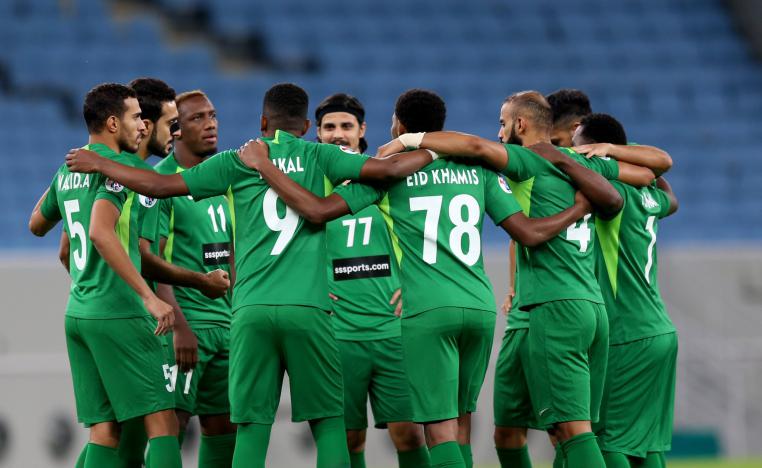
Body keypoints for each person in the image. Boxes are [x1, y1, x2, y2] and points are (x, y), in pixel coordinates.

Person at [64, 82, 439, 468]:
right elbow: (390, 169)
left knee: (249, 428)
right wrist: (435, 148)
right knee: (329, 424)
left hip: (249, 312)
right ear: (306, 127)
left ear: (262, 122)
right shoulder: (320, 156)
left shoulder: (235, 161)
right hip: (309, 310)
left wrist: (102, 164)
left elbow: (158, 186)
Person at [236, 88, 596, 468]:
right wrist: (578, 208)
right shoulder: (478, 169)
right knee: (461, 424)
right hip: (479, 307)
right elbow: (523, 230)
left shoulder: (390, 175)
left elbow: (320, 210)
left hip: (427, 309)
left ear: (399, 125)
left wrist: (267, 169)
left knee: (437, 432)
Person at [29, 83, 181, 467]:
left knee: (105, 430)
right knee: (163, 420)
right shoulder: (124, 170)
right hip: (120, 311)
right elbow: (99, 231)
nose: (143, 126)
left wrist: (89, 283)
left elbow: (40, 228)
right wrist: (148, 296)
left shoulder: (69, 169)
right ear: (113, 123)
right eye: (136, 118)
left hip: (80, 312)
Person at [314, 93, 429, 468]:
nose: (337, 133)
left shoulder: (388, 178)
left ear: (362, 130)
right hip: (338, 332)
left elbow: (423, 237)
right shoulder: (310, 185)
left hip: (392, 329)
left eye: (346, 126)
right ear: (317, 133)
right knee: (349, 437)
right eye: (329, 127)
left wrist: (413, 285)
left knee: (409, 433)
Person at [574, 113, 678, 468]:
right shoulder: (651, 197)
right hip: (660, 330)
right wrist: (622, 152)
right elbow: (670, 193)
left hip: (626, 331)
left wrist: (606, 154)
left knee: (608, 440)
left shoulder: (610, 194)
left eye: (580, 147)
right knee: (647, 444)